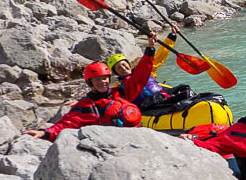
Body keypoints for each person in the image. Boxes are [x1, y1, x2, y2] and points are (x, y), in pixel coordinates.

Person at [24, 33, 158, 140]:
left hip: (141, 136)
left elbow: (140, 76)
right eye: (98, 80)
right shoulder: (86, 106)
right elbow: (67, 123)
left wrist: (150, 49)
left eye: (105, 78)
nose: (103, 82)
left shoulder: (120, 93)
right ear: (90, 83)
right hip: (119, 144)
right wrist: (45, 133)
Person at [106, 25, 179, 108]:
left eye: (123, 64)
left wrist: (172, 36)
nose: (123, 68)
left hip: (164, 98)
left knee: (184, 89)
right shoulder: (118, 87)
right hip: (150, 109)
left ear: (129, 64)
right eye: (118, 68)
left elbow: (161, 55)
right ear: (116, 72)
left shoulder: (145, 70)